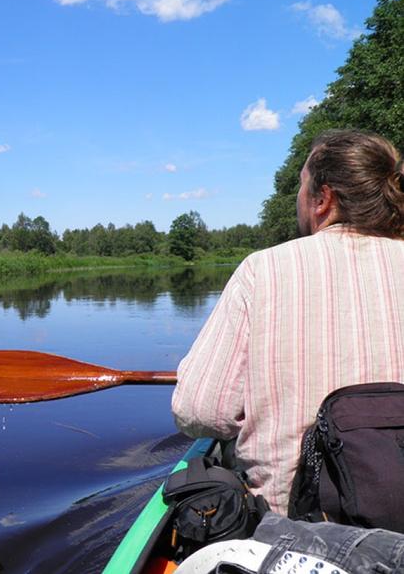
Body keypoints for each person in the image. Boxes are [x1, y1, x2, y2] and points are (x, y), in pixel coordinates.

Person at [171, 130, 404, 515]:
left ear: (322, 199)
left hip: (292, 528)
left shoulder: (262, 270)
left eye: (301, 185)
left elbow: (200, 411)